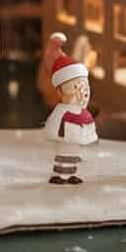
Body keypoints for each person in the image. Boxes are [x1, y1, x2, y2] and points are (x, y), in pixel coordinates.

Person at [42, 32, 98, 184]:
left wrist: (88, 137)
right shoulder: (61, 111)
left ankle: (71, 174)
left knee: (73, 157)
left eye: (84, 87)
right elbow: (53, 126)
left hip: (75, 142)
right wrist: (54, 134)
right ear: (60, 92)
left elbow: (88, 125)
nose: (82, 92)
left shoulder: (83, 113)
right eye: (76, 87)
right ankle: (60, 175)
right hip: (64, 140)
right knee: (63, 156)